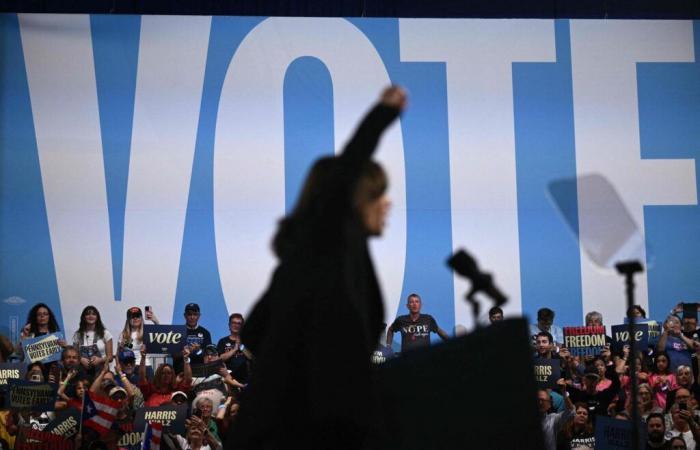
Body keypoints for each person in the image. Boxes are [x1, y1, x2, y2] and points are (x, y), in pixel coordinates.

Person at [234, 86, 406, 450]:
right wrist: (381, 116)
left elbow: (255, 331)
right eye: (378, 193)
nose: (388, 204)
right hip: (306, 432)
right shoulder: (326, 252)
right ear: (355, 199)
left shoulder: (311, 263)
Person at [72, 305, 113, 374]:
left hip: (101, 371)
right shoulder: (78, 334)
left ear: (97, 317)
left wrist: (100, 360)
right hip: (83, 372)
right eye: (88, 314)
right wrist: (81, 359)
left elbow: (110, 357)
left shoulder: (105, 333)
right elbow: (74, 355)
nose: (91, 316)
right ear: (84, 317)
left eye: (94, 314)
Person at [216, 313, 252, 383]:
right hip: (229, 377)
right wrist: (235, 349)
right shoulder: (223, 341)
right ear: (229, 325)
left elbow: (251, 357)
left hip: (246, 378)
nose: (236, 325)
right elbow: (220, 359)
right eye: (233, 323)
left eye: (239, 323)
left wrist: (242, 346)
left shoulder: (248, 340)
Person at [540, 379, 574, 450]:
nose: (540, 403)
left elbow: (571, 411)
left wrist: (564, 393)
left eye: (543, 400)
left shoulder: (553, 419)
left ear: (549, 404)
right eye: (538, 400)